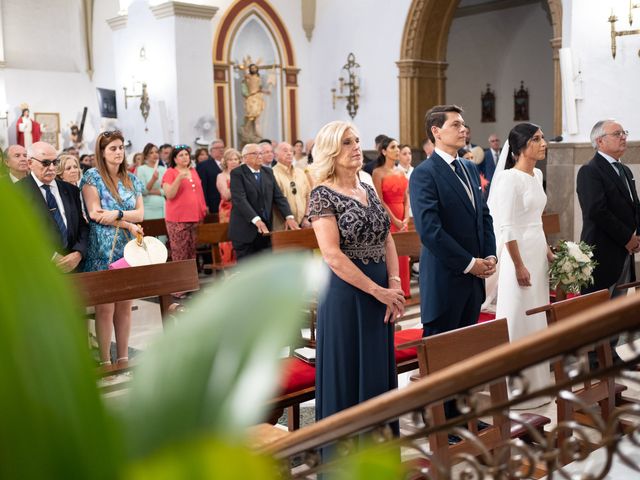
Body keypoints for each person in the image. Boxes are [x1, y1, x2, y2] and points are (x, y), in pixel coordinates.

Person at [308, 120, 405, 428]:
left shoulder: (366, 187)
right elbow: (332, 256)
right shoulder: (322, 194)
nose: (355, 148)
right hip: (346, 296)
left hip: (381, 293)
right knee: (348, 373)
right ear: (331, 151)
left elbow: (387, 237)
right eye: (347, 143)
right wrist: (378, 291)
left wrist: (394, 282)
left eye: (356, 141)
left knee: (376, 371)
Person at [410, 105, 496, 339]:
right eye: (455, 125)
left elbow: (484, 215)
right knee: (443, 360)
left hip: (473, 281)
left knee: (468, 354)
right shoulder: (424, 173)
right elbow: (430, 231)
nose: (463, 129)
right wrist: (469, 263)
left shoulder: (469, 167)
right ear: (436, 131)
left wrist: (489, 255)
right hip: (445, 280)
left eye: (463, 124)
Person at [486, 123, 554, 406]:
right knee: (517, 315)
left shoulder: (536, 174)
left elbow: (536, 218)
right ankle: (517, 390)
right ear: (521, 146)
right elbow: (507, 226)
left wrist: (548, 251)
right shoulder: (508, 179)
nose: (544, 143)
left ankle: (538, 383)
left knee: (537, 315)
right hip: (518, 254)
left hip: (536, 251)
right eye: (537, 139)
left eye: (542, 138)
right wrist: (518, 264)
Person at [80, 130, 144, 366]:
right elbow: (95, 214)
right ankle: (106, 360)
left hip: (127, 247)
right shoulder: (92, 177)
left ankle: (124, 358)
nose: (118, 152)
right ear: (102, 152)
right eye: (112, 149)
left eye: (120, 147)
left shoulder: (131, 178)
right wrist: (127, 221)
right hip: (102, 247)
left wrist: (116, 214)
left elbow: (141, 213)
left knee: (124, 307)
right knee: (105, 308)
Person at [577, 120, 640, 297]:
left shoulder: (625, 170)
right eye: (617, 134)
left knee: (618, 315)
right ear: (600, 141)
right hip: (602, 253)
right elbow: (597, 211)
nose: (623, 137)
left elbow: (635, 205)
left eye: (624, 133)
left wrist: (638, 235)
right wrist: (627, 238)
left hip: (625, 251)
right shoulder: (590, 171)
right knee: (598, 314)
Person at [18, 141, 88, 272]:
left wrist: (78, 253)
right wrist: (50, 256)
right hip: (39, 269)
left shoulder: (71, 190)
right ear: (29, 163)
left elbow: (82, 226)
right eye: (45, 163)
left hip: (75, 267)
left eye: (54, 162)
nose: (51, 168)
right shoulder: (17, 192)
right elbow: (17, 233)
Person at [228, 143, 299, 259]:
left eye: (261, 153)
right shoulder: (237, 173)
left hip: (265, 231)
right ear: (245, 157)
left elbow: (279, 197)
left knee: (266, 269)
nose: (259, 156)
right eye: (255, 153)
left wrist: (289, 216)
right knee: (248, 272)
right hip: (245, 231)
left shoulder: (268, 172)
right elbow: (240, 200)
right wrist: (256, 220)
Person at [372, 137, 411, 297]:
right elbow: (379, 199)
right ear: (384, 151)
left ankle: (406, 291)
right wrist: (394, 219)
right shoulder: (378, 172)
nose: (396, 150)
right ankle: (393, 290)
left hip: (403, 217)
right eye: (393, 147)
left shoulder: (401, 171)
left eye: (397, 147)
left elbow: (407, 196)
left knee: (404, 255)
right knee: (392, 255)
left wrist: (406, 216)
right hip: (389, 218)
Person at [162, 145, 207, 267]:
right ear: (175, 159)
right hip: (178, 220)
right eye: (181, 155)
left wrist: (202, 208)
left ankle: (191, 282)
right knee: (179, 253)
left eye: (186, 154)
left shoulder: (193, 171)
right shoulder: (170, 172)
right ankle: (180, 282)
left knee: (192, 252)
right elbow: (169, 194)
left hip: (195, 217)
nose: (185, 157)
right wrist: (178, 179)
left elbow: (199, 192)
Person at [272, 142, 312, 229]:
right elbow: (274, 200)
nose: (289, 153)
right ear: (275, 155)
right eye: (285, 151)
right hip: (282, 225)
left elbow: (309, 195)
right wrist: (288, 217)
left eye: (291, 151)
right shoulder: (271, 174)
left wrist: (306, 217)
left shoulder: (300, 172)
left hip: (303, 224)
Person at [216, 148, 241, 265]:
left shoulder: (243, 174)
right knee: (228, 239)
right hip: (227, 210)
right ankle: (229, 267)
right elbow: (226, 195)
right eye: (230, 159)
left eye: (236, 159)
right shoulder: (221, 176)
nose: (234, 162)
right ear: (226, 161)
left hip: (242, 209)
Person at [135, 143, 166, 220]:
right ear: (146, 156)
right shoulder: (141, 169)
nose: (155, 154)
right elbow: (143, 191)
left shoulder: (163, 169)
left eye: (156, 152)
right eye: (151, 153)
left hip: (163, 206)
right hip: (148, 207)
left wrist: (158, 192)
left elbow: (167, 191)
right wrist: (153, 180)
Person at [196, 139, 224, 215]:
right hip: (213, 204)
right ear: (210, 151)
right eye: (217, 148)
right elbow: (202, 187)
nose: (221, 150)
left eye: (222, 147)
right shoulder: (204, 166)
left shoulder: (229, 163)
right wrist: (205, 204)